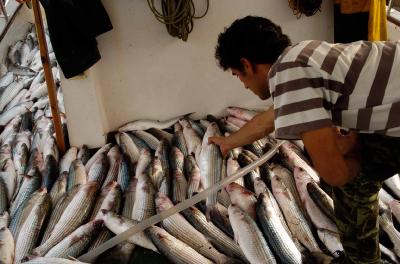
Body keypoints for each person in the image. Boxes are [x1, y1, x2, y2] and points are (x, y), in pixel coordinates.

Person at [209, 16, 400, 264]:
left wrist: (353, 150)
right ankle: (360, 256)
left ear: (247, 64)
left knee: (350, 183)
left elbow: (335, 173)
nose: (244, 86)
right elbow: (271, 118)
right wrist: (227, 142)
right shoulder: (303, 55)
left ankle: (362, 261)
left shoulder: (289, 75)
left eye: (238, 75)